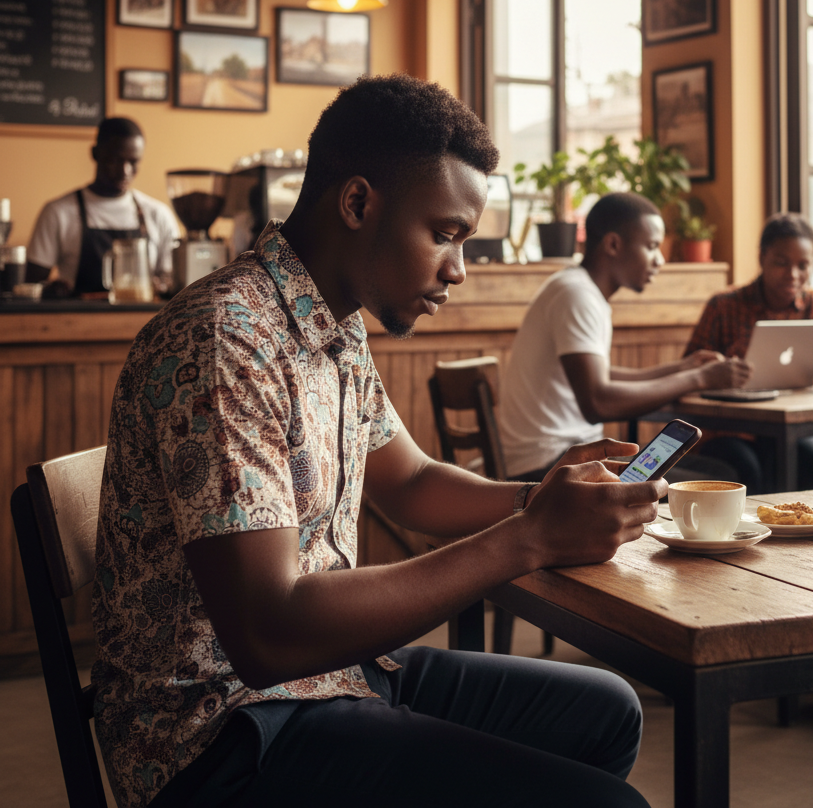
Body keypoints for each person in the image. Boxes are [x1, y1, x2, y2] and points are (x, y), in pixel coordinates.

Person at [91, 75, 662, 808]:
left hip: (330, 677)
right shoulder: (226, 340)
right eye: (446, 234)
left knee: (608, 710)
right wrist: (527, 540)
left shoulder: (333, 323)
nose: (457, 268)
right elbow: (268, 634)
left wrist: (545, 499)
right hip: (220, 735)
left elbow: (412, 482)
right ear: (358, 203)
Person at [498, 191, 750, 484]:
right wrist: (701, 379)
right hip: (550, 465)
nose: (661, 260)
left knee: (719, 471)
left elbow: (601, 379)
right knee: (725, 476)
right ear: (614, 244)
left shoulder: (577, 289)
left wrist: (685, 367)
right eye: (652, 246)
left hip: (564, 455)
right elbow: (598, 402)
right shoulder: (577, 295)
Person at [683, 212, 813, 487]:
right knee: (747, 468)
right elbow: (688, 370)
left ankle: (803, 528)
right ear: (762, 259)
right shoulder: (723, 306)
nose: (793, 275)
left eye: (803, 265)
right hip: (733, 428)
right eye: (781, 263)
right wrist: (718, 370)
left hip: (798, 425)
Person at [26, 116, 178, 295]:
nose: (125, 171)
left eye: (133, 162)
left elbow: (172, 280)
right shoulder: (58, 212)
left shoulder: (158, 214)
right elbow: (31, 284)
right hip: (79, 320)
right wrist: (52, 289)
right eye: (115, 160)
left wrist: (163, 285)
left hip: (146, 321)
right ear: (95, 153)